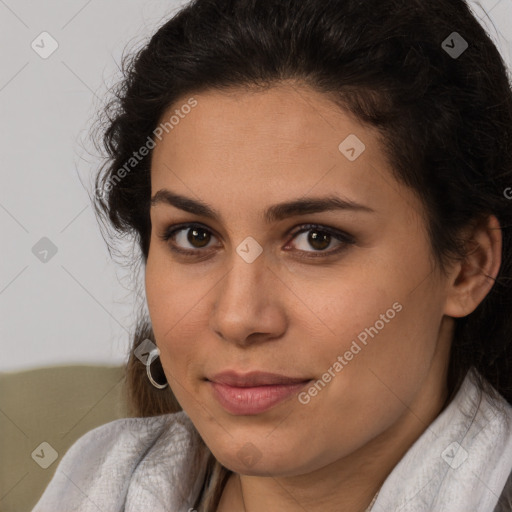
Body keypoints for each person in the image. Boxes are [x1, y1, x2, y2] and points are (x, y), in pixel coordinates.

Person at [32, 0, 512, 510]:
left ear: (467, 265)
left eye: (316, 239)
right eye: (194, 236)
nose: (238, 318)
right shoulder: (97, 482)